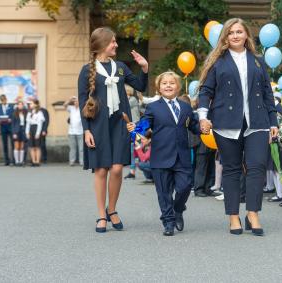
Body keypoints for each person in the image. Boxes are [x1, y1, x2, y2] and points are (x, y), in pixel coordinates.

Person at [198, 18, 278, 236]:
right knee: (232, 169)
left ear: (246, 35)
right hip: (225, 123)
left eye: (239, 32)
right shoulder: (218, 62)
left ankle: (252, 213)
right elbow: (205, 91)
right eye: (231, 32)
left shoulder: (258, 61)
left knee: (257, 167)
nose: (235, 35)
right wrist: (203, 116)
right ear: (225, 36)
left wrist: (274, 121)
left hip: (258, 122)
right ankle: (233, 216)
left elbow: (267, 93)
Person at [78, 27, 148, 233]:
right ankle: (101, 214)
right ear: (101, 44)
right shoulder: (86, 70)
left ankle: (112, 209)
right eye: (113, 42)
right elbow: (82, 102)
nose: (116, 45)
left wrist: (144, 68)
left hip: (120, 122)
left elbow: (140, 87)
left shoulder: (120, 67)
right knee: (101, 170)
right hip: (97, 125)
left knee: (117, 169)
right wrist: (86, 130)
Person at [127, 71, 200, 236]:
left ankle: (178, 208)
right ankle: (168, 222)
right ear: (159, 88)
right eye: (164, 83)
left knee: (185, 186)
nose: (168, 85)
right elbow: (143, 127)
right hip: (160, 156)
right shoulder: (153, 107)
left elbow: (194, 127)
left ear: (178, 87)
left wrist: (204, 126)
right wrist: (135, 130)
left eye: (172, 83)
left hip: (182, 156)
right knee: (164, 192)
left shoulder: (186, 107)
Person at [124, 85, 140, 179]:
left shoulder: (132, 99)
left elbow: (125, 106)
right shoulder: (130, 99)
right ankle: (132, 170)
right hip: (132, 125)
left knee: (135, 147)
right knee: (132, 148)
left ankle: (135, 168)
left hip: (136, 125)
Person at [64, 96, 83, 166]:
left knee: (81, 148)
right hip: (71, 132)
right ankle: (72, 161)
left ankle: (82, 162)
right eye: (74, 101)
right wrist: (69, 99)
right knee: (72, 148)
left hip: (80, 131)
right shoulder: (71, 108)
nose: (76, 102)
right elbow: (64, 105)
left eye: (77, 101)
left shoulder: (81, 109)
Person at [25, 99, 45, 166]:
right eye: (30, 104)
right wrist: (27, 132)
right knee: (32, 146)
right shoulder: (29, 113)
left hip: (36, 129)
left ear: (36, 104)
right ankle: (33, 161)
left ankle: (37, 161)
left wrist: (38, 133)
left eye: (31, 103)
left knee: (37, 146)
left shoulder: (39, 112)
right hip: (31, 129)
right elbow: (28, 123)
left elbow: (40, 124)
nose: (30, 105)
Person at [0, 94, 14, 165]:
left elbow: (14, 116)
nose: (3, 101)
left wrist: (11, 119)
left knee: (12, 144)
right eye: (1, 100)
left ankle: (14, 159)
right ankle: (6, 160)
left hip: (10, 127)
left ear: (6, 99)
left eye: (4, 99)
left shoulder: (11, 106)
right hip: (3, 127)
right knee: (5, 144)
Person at [11, 100, 27, 166]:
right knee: (16, 146)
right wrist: (14, 133)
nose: (20, 106)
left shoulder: (26, 113)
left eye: (21, 104)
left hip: (23, 130)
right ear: (17, 105)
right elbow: (13, 124)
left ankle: (21, 161)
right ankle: (17, 161)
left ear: (23, 106)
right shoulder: (14, 113)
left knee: (22, 146)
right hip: (17, 130)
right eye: (19, 104)